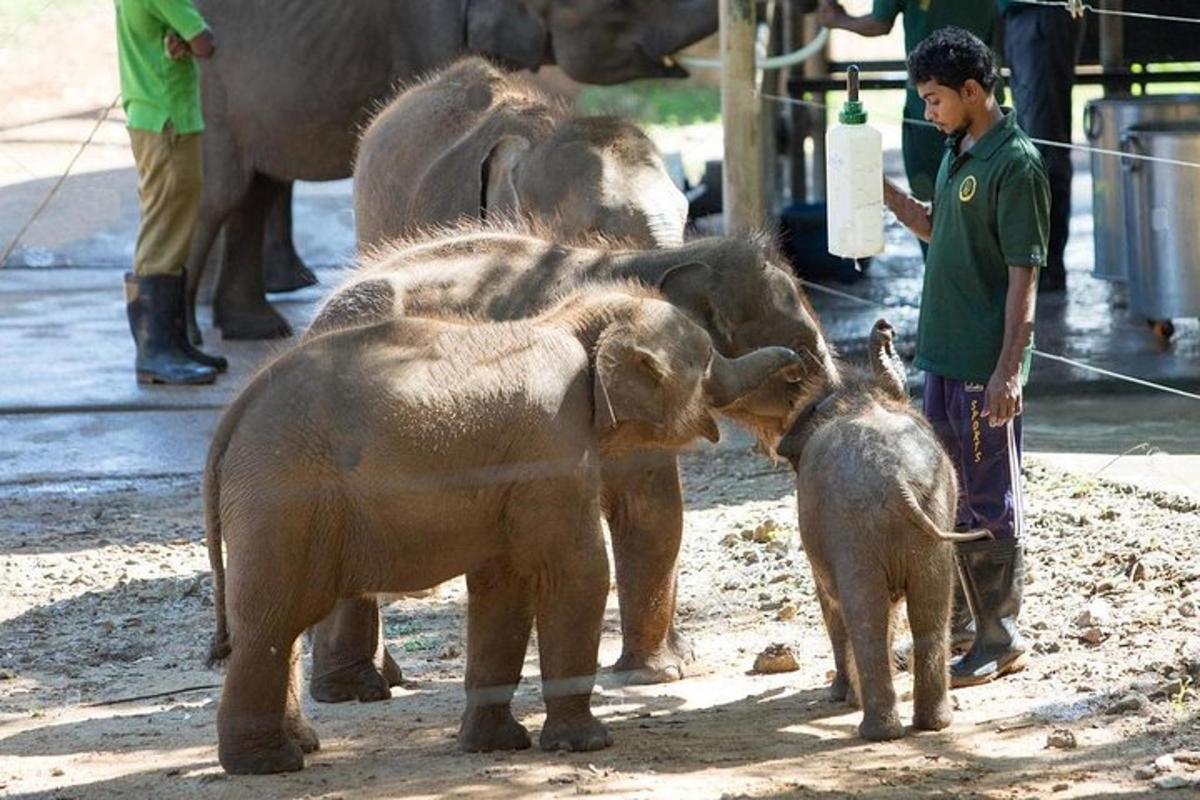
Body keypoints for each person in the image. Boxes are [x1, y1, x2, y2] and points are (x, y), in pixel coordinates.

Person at [883, 27, 1048, 687]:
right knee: (947, 494)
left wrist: (1009, 368)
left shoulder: (1016, 165)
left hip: (984, 367)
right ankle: (955, 628)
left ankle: (999, 637)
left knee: (989, 499)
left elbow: (1023, 278)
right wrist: (890, 199)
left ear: (973, 91)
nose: (929, 113)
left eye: (934, 100)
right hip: (942, 359)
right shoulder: (961, 149)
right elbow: (938, 227)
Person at [116, 0, 225, 384]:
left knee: (174, 228)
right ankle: (155, 351)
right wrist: (189, 36)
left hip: (161, 117)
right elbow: (205, 43)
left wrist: (180, 37)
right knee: (164, 230)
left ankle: (173, 343)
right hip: (166, 121)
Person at [817, 0, 996, 205]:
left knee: (933, 201)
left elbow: (879, 23)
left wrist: (837, 19)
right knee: (986, 198)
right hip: (982, 98)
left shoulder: (930, 112)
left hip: (929, 109)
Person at [999, 0, 1084, 293]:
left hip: (1040, 16)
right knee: (1032, 140)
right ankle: (1036, 262)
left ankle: (1044, 266)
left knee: (1043, 144)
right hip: (1021, 16)